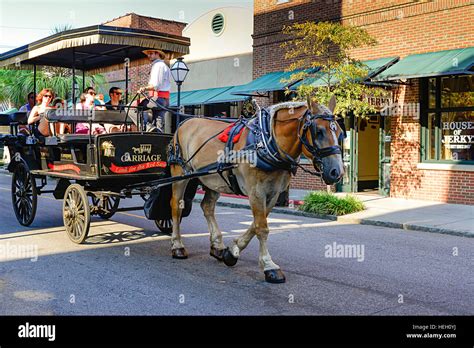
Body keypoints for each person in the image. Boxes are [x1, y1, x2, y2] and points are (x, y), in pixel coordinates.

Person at [137, 49, 171, 132]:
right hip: (164, 100)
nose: (148, 56)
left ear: (158, 54)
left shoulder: (158, 65)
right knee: (158, 124)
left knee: (131, 107)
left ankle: (148, 128)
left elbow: (155, 85)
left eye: (151, 53)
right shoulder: (164, 66)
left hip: (157, 99)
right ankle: (158, 138)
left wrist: (144, 88)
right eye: (148, 54)